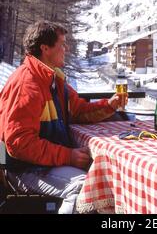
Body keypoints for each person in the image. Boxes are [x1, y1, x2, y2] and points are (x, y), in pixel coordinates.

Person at [0, 20, 127, 214]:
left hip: (45, 164)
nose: (66, 49)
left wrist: (109, 105)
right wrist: (68, 156)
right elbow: (19, 143)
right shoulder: (27, 84)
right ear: (45, 48)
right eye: (62, 44)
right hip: (25, 170)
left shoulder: (52, 79)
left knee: (106, 179)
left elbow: (78, 110)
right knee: (87, 188)